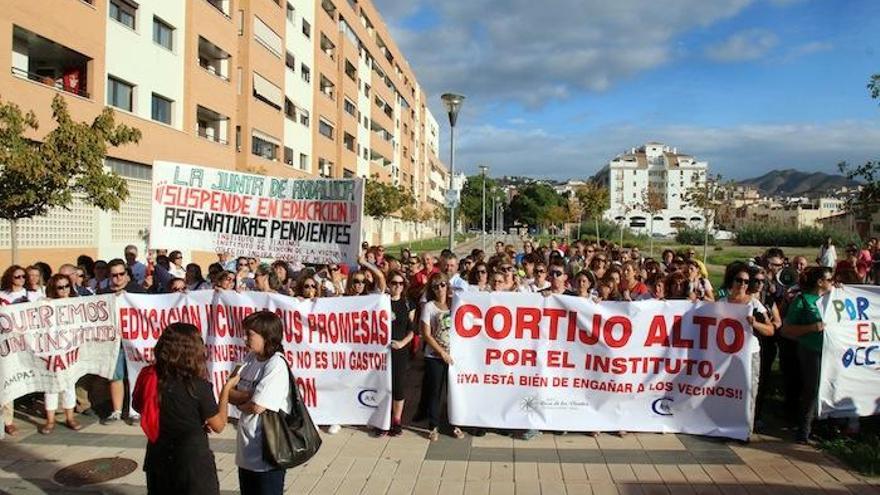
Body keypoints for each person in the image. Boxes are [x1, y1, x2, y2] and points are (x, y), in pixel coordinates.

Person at [134, 322, 237, 494]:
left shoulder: (150, 376)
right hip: (191, 462)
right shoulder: (199, 386)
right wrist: (226, 391)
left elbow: (138, 405)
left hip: (158, 458)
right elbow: (218, 425)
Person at [229, 311, 292, 495]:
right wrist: (245, 397)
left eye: (250, 334)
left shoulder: (276, 364)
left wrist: (240, 400)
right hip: (246, 451)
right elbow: (228, 389)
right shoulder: (249, 359)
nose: (245, 338)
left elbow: (257, 406)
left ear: (266, 336)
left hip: (267, 452)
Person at [781, 266, 834, 444]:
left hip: (831, 352)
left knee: (828, 388)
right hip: (811, 351)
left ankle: (823, 426)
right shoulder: (802, 300)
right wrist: (811, 328)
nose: (832, 283)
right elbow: (786, 329)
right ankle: (804, 431)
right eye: (829, 279)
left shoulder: (832, 298)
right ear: (820, 282)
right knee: (812, 389)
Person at [99, 258, 145, 424]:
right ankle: (117, 411)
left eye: (121, 274)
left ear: (127, 274)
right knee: (116, 375)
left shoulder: (137, 290)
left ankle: (135, 410)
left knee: (136, 374)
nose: (118, 278)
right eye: (114, 275)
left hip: (135, 341)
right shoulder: (103, 293)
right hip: (114, 342)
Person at [418, 273, 463, 441]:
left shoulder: (456, 303)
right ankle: (433, 426)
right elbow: (426, 334)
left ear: (447, 285)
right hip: (435, 356)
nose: (440, 289)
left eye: (442, 284)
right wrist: (441, 353)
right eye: (435, 286)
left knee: (454, 392)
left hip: (455, 357)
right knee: (435, 392)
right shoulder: (429, 306)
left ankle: (455, 424)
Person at [39, 274, 84, 434]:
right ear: (53, 288)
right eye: (60, 287)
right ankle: (50, 420)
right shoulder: (45, 303)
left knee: (69, 384)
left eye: (67, 286)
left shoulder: (76, 302)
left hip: (70, 349)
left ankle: (70, 417)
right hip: (51, 350)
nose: (64, 290)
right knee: (50, 385)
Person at [385, 271, 414, 437]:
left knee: (398, 386)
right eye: (394, 283)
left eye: (401, 284)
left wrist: (402, 343)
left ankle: (397, 419)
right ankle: (383, 418)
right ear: (389, 284)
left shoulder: (408, 304)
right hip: (383, 351)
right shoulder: (382, 302)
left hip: (400, 351)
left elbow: (412, 330)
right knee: (383, 385)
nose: (397, 286)